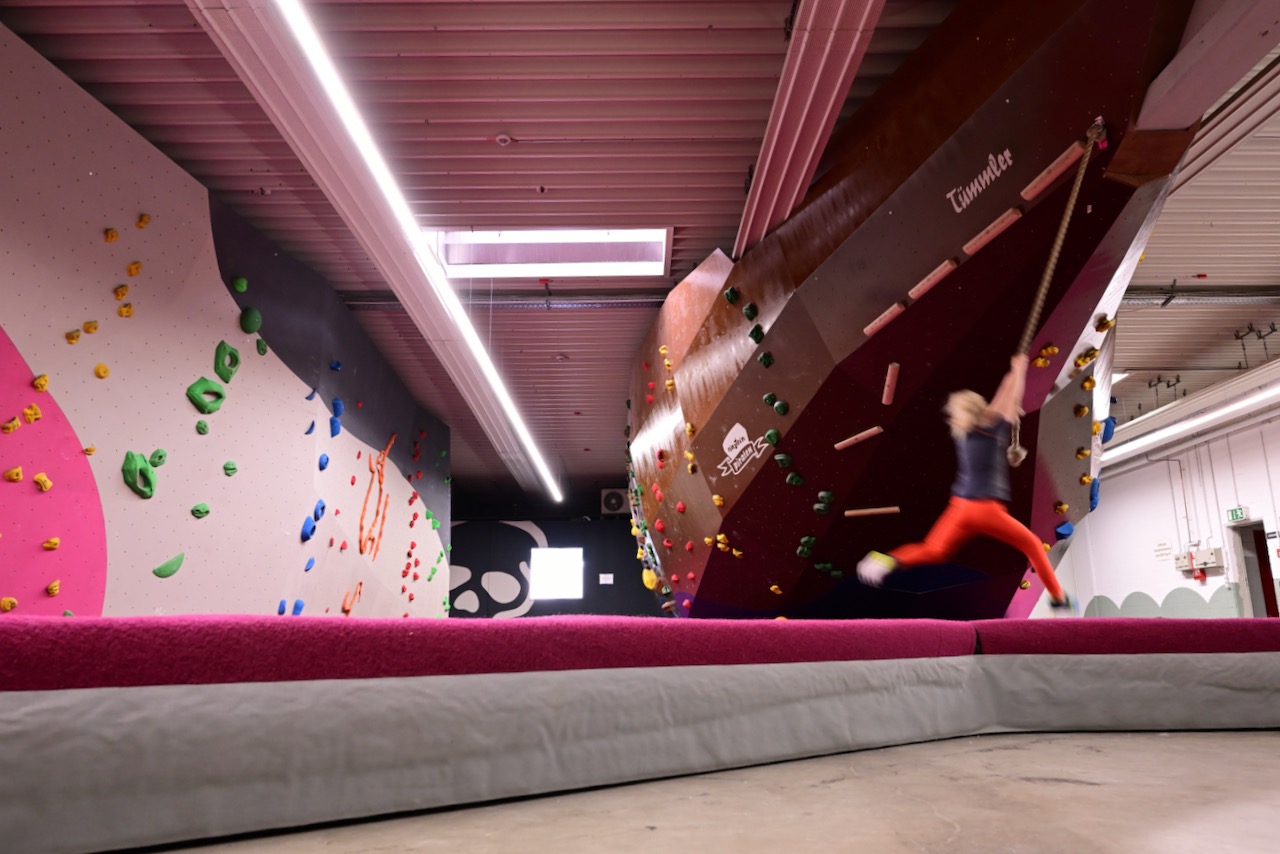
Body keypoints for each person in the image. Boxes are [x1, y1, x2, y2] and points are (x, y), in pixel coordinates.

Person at [857, 354, 1073, 612]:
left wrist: (1013, 373)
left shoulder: (967, 432)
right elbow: (1009, 399)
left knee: (932, 549)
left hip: (959, 507)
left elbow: (1004, 398)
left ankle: (885, 560)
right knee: (1033, 545)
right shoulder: (994, 429)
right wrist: (1018, 371)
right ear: (979, 407)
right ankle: (1058, 597)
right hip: (985, 511)